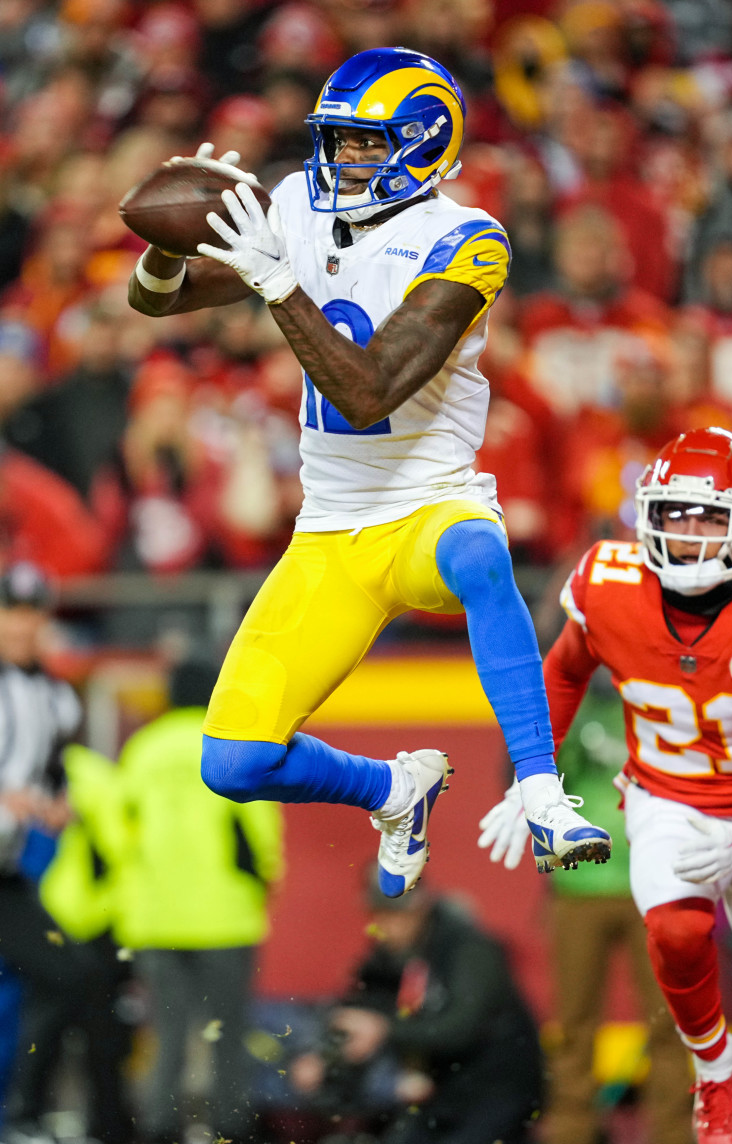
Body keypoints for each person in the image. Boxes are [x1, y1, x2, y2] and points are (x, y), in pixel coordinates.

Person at [126, 44, 611, 899]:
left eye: (365, 141)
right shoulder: (301, 204)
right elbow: (156, 299)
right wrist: (170, 244)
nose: (343, 158)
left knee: (478, 555)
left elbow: (367, 392)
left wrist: (278, 284)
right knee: (233, 762)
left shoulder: (467, 241)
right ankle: (392, 790)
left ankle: (540, 787)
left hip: (427, 504)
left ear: (423, 144)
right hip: (329, 531)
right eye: (336, 139)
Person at [479, 427, 732, 1144]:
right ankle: (713, 1065)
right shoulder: (606, 581)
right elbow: (561, 674)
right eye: (675, 512)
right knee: (674, 931)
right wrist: (531, 776)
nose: (689, 530)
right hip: (666, 797)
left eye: (710, 515)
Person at [516, 683, 695, 1144]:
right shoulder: (567, 702)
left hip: (654, 883)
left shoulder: (663, 703)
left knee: (669, 1022)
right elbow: (525, 771)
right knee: (575, 1025)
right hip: (579, 884)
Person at [115, 657, 283, 1144]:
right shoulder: (230, 746)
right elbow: (260, 832)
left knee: (166, 1038)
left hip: (155, 922)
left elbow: (121, 834)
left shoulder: (143, 750)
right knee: (227, 1038)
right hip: (224, 920)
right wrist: (264, 883)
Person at [288, 870, 544, 1144]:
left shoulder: (469, 949)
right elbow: (360, 1010)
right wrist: (323, 1055)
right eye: (378, 915)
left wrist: (385, 1031)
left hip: (500, 1083)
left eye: (395, 915)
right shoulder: (391, 956)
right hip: (444, 1087)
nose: (386, 926)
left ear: (420, 908)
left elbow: (461, 1027)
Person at [0, 563, 95, 1144]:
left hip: (8, 872)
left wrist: (56, 802)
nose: (22, 625)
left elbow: (53, 773)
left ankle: (19, 1120)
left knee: (66, 973)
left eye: (32, 614)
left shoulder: (54, 696)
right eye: (12, 612)